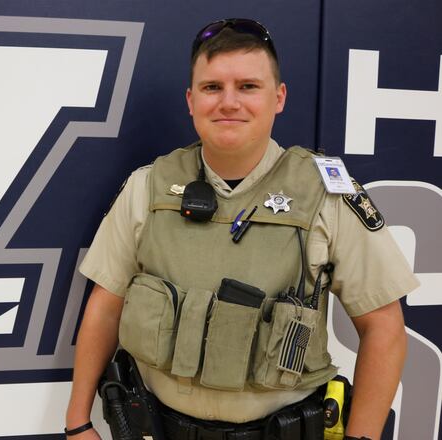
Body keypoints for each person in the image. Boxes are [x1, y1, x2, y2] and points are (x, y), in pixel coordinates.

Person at [65, 18, 419, 440]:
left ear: (279, 97)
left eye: (248, 86)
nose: (228, 102)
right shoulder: (149, 187)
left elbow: (383, 327)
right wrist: (78, 422)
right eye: (212, 87)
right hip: (156, 428)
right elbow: (106, 305)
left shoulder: (325, 195)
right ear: (191, 100)